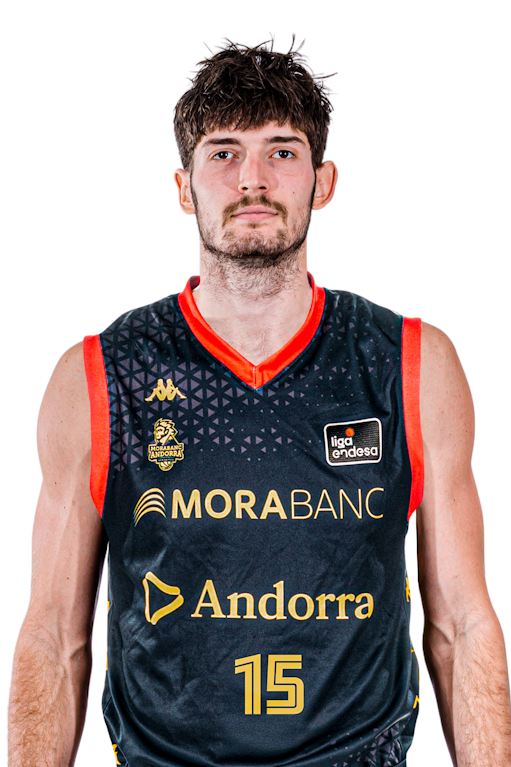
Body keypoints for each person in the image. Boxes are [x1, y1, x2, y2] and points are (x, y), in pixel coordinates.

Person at [8, 39, 511, 767]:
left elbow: (461, 624)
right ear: (184, 187)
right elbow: (54, 636)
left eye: (281, 151)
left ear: (322, 181)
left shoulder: (410, 362)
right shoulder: (103, 374)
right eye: (223, 153)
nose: (252, 179)